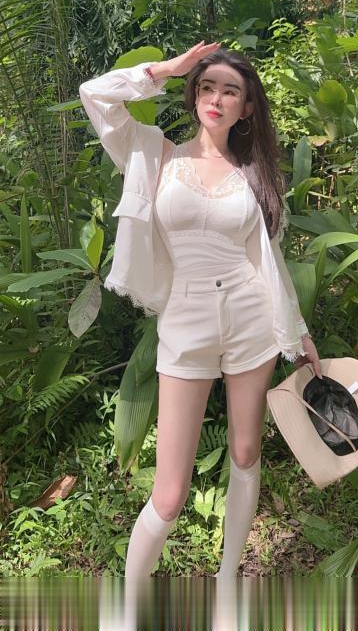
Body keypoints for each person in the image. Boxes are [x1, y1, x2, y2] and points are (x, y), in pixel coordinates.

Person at [80, 41, 322, 581]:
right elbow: (94, 95)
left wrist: (299, 331)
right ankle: (126, 609)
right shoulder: (154, 154)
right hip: (185, 322)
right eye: (206, 87)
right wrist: (166, 70)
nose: (215, 98)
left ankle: (227, 588)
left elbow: (268, 259)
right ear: (193, 95)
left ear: (247, 107)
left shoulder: (256, 174)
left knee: (245, 451)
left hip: (250, 319)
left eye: (229, 91)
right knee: (168, 496)